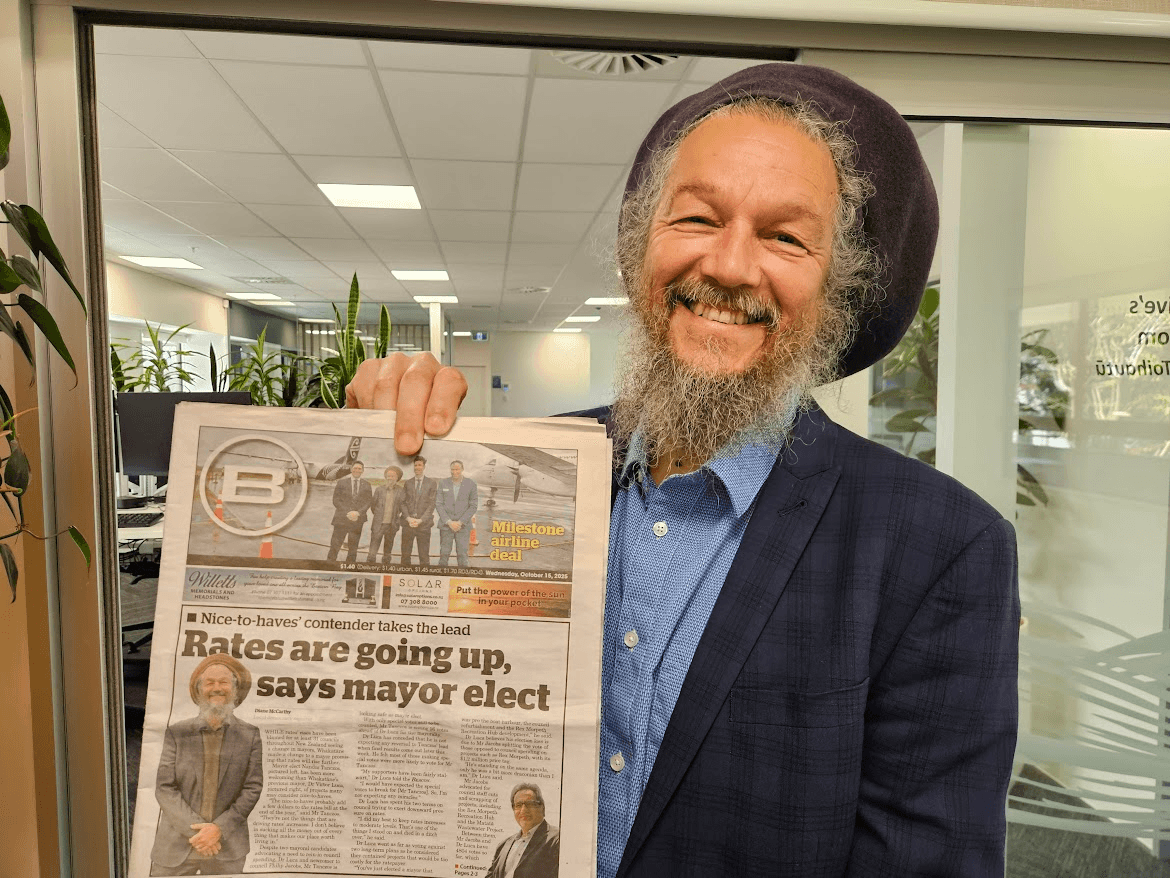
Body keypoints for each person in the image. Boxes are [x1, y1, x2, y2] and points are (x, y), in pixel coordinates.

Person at [348, 63, 1019, 877]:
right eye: (698, 217)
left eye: (784, 236)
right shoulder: (512, 475)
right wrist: (382, 457)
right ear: (641, 249)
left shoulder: (939, 546)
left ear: (837, 288)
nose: (731, 266)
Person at [151, 654, 263, 875]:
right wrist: (202, 834)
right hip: (175, 847)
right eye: (209, 682)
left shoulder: (250, 735)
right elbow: (165, 788)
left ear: (235, 688)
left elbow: (252, 788)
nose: (217, 688)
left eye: (224, 682)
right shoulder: (177, 732)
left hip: (227, 847)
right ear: (198, 689)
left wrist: (219, 830)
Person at [484, 783, 560, 878]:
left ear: (542, 807)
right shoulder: (502, 846)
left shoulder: (558, 839)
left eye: (529, 804)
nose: (523, 810)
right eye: (518, 805)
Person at [326, 460, 373, 563]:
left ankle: (349, 566)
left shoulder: (367, 485)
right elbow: (336, 500)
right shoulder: (341, 482)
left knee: (353, 547)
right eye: (355, 468)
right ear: (351, 469)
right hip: (341, 519)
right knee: (335, 545)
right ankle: (329, 564)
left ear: (363, 471)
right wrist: (348, 512)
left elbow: (368, 502)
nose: (357, 470)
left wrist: (358, 513)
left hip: (357, 520)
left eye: (359, 469)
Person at [436, 459, 478, 568]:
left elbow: (473, 506)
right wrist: (449, 522)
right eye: (452, 469)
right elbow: (439, 504)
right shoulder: (443, 483)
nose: (455, 472)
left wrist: (460, 522)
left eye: (457, 469)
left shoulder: (471, 484)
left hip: (463, 527)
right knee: (444, 555)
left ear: (462, 470)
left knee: (463, 556)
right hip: (446, 526)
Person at [400, 455, 437, 566]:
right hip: (408, 525)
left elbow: (432, 505)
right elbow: (402, 502)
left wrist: (421, 520)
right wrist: (408, 518)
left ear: (424, 467)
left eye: (420, 465)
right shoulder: (408, 483)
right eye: (415, 465)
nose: (417, 467)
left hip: (424, 525)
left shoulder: (431, 483)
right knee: (405, 556)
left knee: (424, 556)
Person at [367, 464, 405, 563]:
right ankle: (370, 566)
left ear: (397, 478)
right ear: (385, 477)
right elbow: (373, 506)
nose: (390, 478)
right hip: (378, 525)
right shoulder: (379, 490)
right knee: (372, 551)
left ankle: (385, 566)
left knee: (388, 551)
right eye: (388, 475)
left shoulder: (401, 491)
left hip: (392, 525)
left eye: (393, 476)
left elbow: (402, 507)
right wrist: (379, 516)